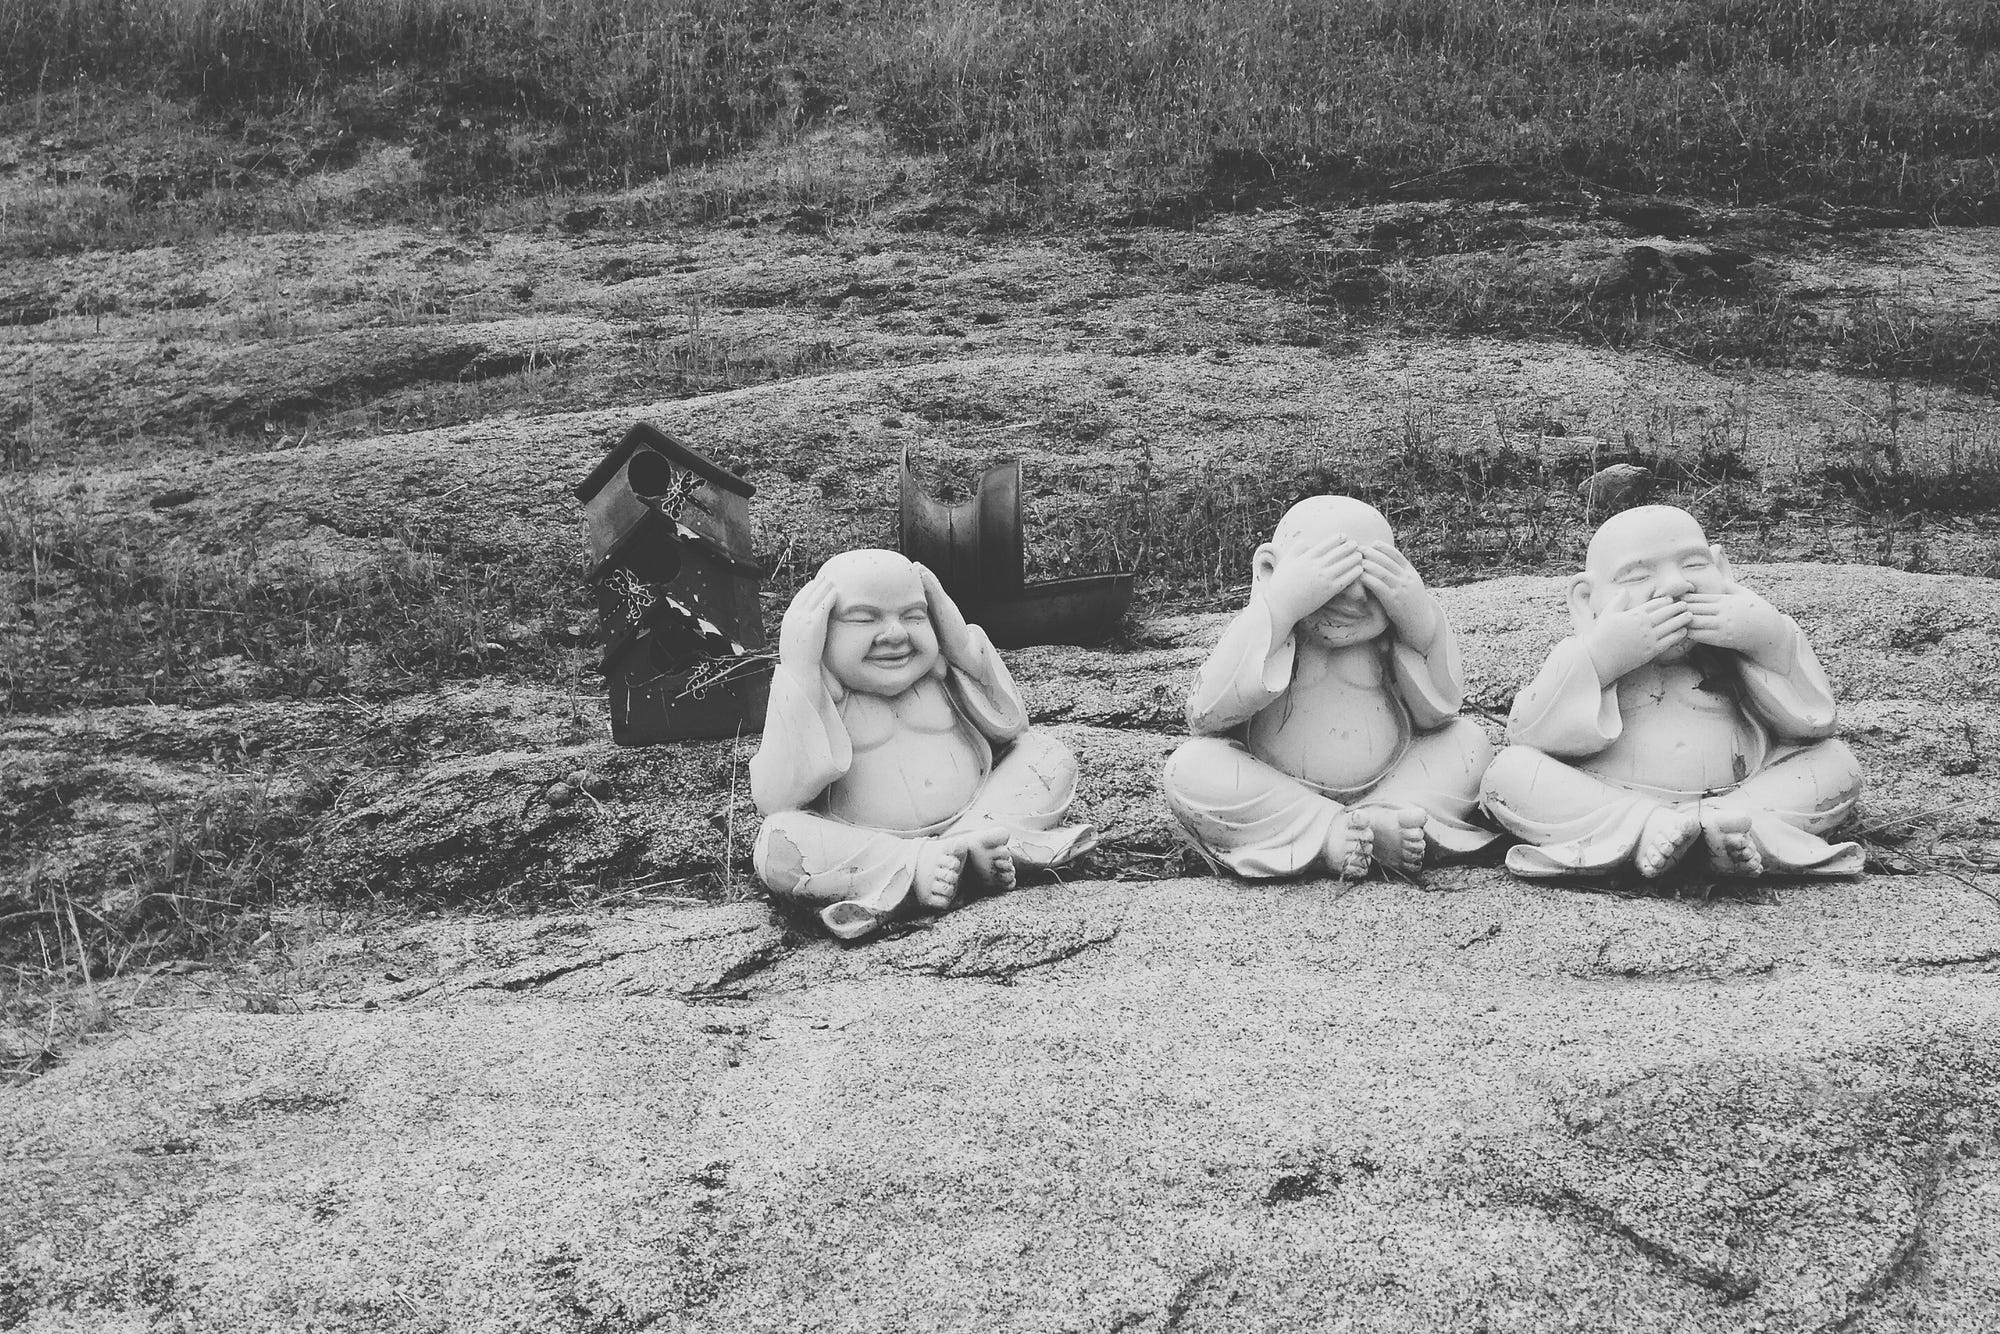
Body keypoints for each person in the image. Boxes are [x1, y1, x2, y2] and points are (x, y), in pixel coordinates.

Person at [1481, 505, 1863, 879]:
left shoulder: (1740, 649)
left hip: (1740, 795)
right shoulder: (1584, 656)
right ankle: (1644, 828)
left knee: (1835, 761)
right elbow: (1528, 733)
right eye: (1636, 575)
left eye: (1694, 564)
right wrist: (1601, 660)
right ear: (1586, 599)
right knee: (1509, 772)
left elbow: (1813, 724)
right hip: (1616, 798)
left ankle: (1736, 829)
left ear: (1722, 569)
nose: (1677, 585)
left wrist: (1771, 641)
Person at [749, 549, 1096, 939]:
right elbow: (778, 798)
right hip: (871, 845)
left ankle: (976, 841)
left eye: (914, 616)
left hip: (974, 813)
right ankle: (916, 866)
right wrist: (799, 669)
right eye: (864, 619)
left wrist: (962, 646)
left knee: (1046, 755)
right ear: (821, 632)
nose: (896, 634)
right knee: (779, 841)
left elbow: (1010, 726)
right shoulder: (818, 694)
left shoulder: (942, 675)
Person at [1162, 496, 1496, 879]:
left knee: (1469, 742)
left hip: (1392, 780)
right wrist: (1280, 608)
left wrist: (1421, 625)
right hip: (1281, 791)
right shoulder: (1264, 634)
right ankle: (1328, 830)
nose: (1355, 597)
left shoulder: (1390, 640)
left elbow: (1440, 712)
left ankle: (1387, 818)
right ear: (1270, 569)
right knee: (1191, 767)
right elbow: (1206, 714)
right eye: (1332, 575)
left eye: (1374, 579)